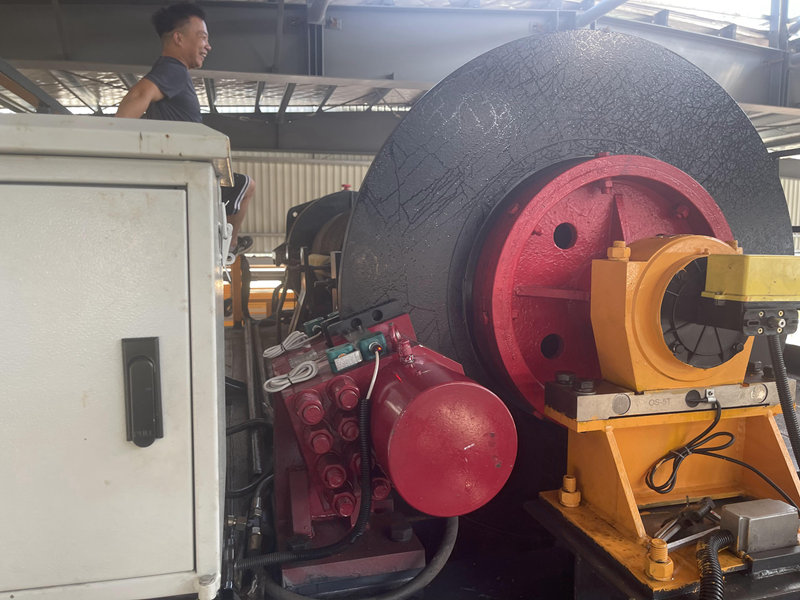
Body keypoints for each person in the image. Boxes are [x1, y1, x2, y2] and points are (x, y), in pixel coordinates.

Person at [116, 2, 254, 255]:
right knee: (248, 186)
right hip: (186, 173)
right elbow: (139, 94)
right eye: (202, 37)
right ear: (178, 38)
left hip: (183, 171)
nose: (208, 46)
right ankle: (229, 246)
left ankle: (226, 242)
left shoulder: (172, 71)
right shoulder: (173, 69)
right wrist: (115, 141)